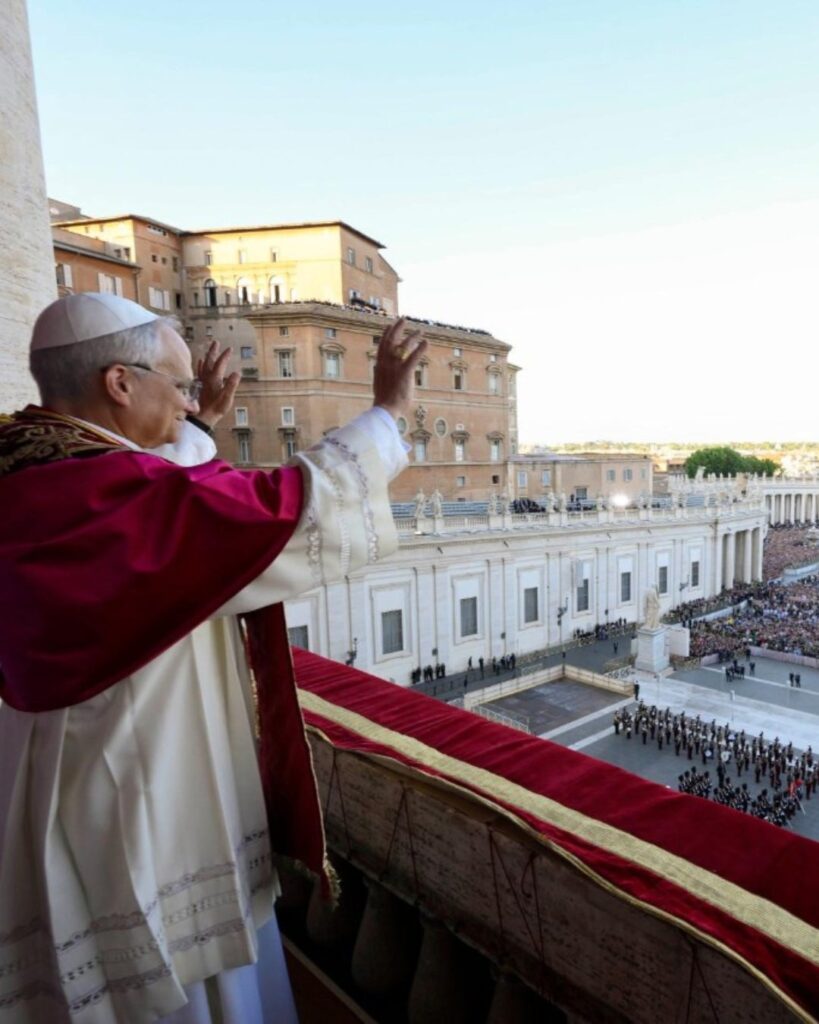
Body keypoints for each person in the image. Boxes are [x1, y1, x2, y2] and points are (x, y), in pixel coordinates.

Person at [0, 293, 427, 1023]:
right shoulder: (118, 495)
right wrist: (386, 412)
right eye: (178, 386)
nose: (187, 403)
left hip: (49, 769)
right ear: (119, 383)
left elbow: (166, 485)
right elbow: (284, 506)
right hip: (141, 782)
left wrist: (197, 424)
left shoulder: (37, 469)